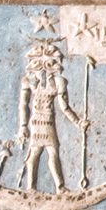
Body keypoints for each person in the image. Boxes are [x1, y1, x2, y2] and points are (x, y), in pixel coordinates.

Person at [16, 38, 84, 193]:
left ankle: (59, 187)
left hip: (48, 120)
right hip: (37, 121)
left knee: (51, 152)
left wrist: (78, 122)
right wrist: (23, 126)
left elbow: (64, 107)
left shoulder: (59, 81)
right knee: (36, 153)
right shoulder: (28, 81)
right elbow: (24, 105)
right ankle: (32, 187)